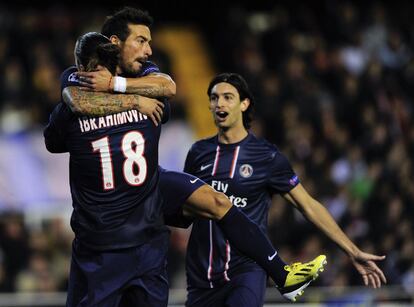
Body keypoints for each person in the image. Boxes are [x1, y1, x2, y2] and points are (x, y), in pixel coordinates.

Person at [63, 7, 328, 303]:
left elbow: (169, 86)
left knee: (217, 201)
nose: (148, 50)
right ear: (115, 43)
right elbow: (74, 100)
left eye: (149, 42)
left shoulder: (144, 75)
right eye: (140, 41)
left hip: (149, 180)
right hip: (112, 202)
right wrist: (136, 101)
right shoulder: (80, 77)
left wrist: (119, 88)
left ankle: (283, 275)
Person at [181, 73, 387, 306]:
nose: (220, 103)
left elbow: (307, 205)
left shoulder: (267, 156)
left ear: (244, 104)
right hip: (202, 274)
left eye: (228, 97)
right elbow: (185, 207)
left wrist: (352, 250)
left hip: (247, 270)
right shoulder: (198, 153)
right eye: (214, 98)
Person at [44, 30, 174, 307]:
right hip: (149, 244)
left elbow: (52, 142)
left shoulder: (68, 113)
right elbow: (165, 92)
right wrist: (134, 98)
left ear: (81, 67)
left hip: (98, 248)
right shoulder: (151, 103)